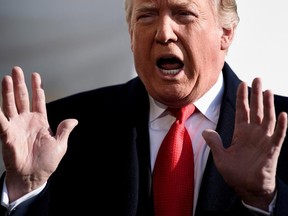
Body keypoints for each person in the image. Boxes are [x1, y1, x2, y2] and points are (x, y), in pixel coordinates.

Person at [0, 0, 288, 215]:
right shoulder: (63, 130)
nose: (164, 33)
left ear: (225, 33)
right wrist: (25, 188)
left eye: (183, 13)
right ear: (131, 34)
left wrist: (263, 200)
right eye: (147, 15)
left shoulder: (280, 129)